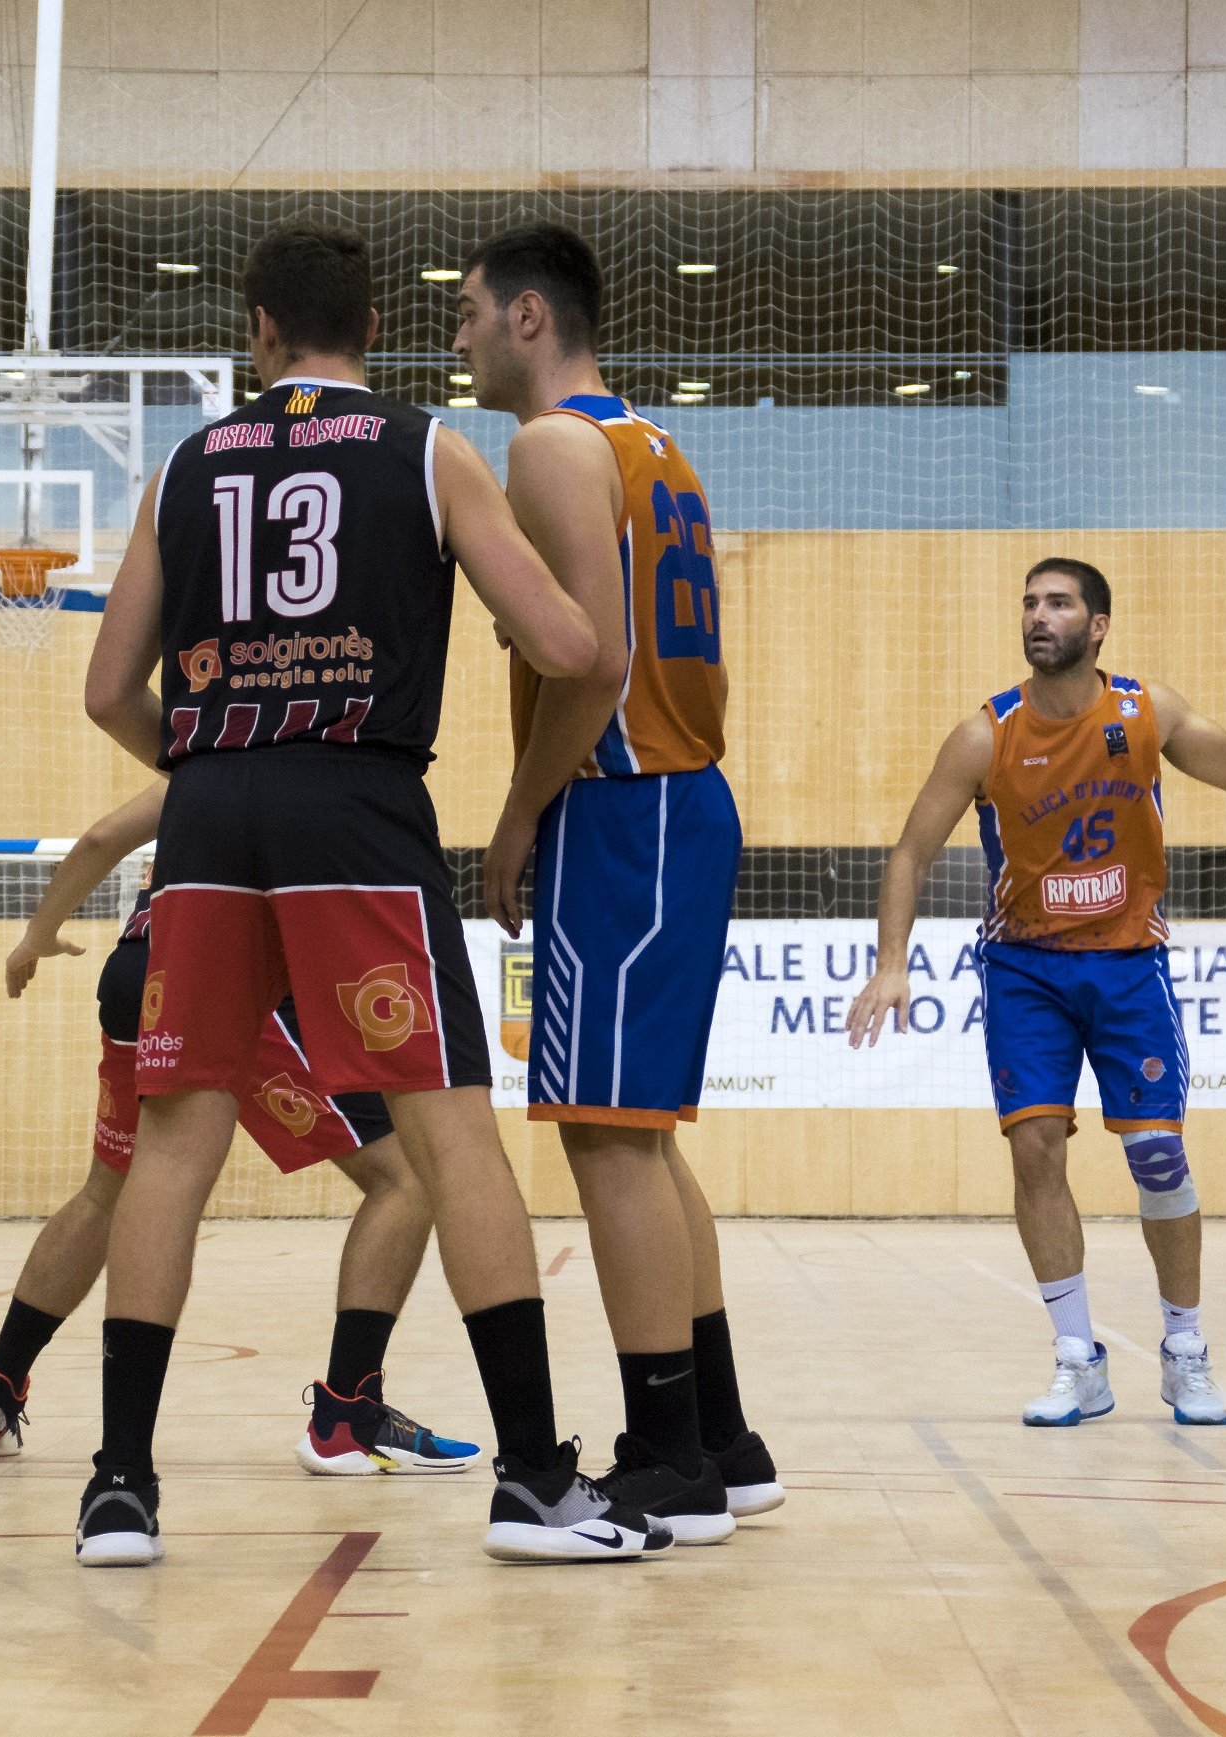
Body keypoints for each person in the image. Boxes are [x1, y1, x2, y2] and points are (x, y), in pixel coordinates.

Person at [73, 217, 662, 1566]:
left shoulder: (186, 461)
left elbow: (107, 687)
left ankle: (119, 1485)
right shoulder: (428, 449)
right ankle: (531, 1479)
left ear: (259, 331)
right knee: (452, 1138)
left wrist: (216, 756)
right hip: (359, 808)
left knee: (174, 1141)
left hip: (214, 813)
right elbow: (577, 646)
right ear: (375, 335)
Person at [454, 220, 780, 1543]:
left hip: (623, 803)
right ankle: (719, 1434)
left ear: (531, 317)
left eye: (470, 311)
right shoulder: (653, 447)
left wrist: (515, 816)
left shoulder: (547, 445)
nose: (459, 334)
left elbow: (588, 662)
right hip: (678, 800)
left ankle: (665, 1457)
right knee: (637, 1139)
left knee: (604, 1137)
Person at [847, 557, 1226, 1429]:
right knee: (1034, 1148)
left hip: (1126, 963)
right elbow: (911, 852)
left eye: (1058, 603)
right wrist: (891, 962)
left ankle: (1183, 1350)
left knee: (1156, 1156)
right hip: (1024, 966)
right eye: (1029, 602)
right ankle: (1078, 1358)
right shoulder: (984, 734)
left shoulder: (1147, 712)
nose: (1038, 614)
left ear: (1096, 625)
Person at [0, 776, 478, 1480]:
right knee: (403, 1177)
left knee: (108, 1191)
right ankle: (348, 1412)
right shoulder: (303, 765)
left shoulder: (201, 768)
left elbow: (101, 837)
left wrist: (37, 934)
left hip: (136, 970)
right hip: (225, 974)